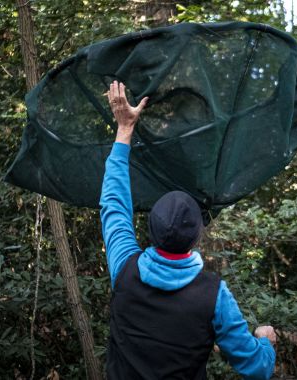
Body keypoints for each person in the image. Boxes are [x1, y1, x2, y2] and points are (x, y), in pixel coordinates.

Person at [100, 80, 277, 380]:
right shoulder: (213, 295)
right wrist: (265, 341)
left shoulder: (124, 269)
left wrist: (125, 129)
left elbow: (113, 204)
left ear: (151, 228)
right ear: (196, 237)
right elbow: (258, 368)